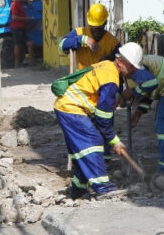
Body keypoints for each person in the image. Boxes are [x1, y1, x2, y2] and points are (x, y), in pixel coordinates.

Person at [53, 43, 138, 198]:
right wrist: (115, 141)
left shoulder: (106, 65)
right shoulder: (111, 80)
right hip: (71, 108)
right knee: (92, 142)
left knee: (82, 151)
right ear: (120, 61)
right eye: (132, 66)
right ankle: (103, 187)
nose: (134, 71)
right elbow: (103, 118)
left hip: (67, 107)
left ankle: (78, 190)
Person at [121, 46, 164, 191]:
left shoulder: (137, 70)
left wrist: (132, 93)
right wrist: (138, 114)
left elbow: (152, 84)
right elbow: (149, 93)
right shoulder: (135, 68)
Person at [58, 3, 121, 69]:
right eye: (93, 28)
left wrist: (110, 58)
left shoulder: (112, 42)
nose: (96, 32)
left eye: (99, 28)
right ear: (89, 24)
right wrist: (84, 40)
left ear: (105, 23)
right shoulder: (79, 32)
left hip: (103, 77)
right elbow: (61, 45)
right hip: (83, 77)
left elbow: (121, 60)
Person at [10, 0, 35, 67]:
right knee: (17, 45)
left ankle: (31, 62)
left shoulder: (20, 2)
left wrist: (27, 1)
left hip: (22, 27)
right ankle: (16, 64)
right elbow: (14, 17)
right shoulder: (15, 4)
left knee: (30, 43)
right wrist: (26, 18)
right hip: (16, 27)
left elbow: (24, 0)